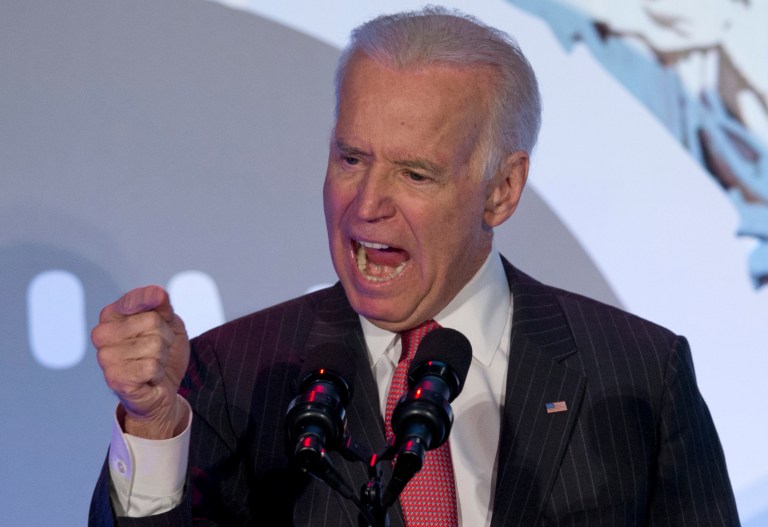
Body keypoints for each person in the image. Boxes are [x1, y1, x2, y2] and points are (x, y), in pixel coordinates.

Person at [88, 6, 740, 526]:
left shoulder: (636, 374)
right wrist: (153, 425)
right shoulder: (233, 375)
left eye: (414, 172)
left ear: (501, 189)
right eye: (351, 159)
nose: (366, 204)